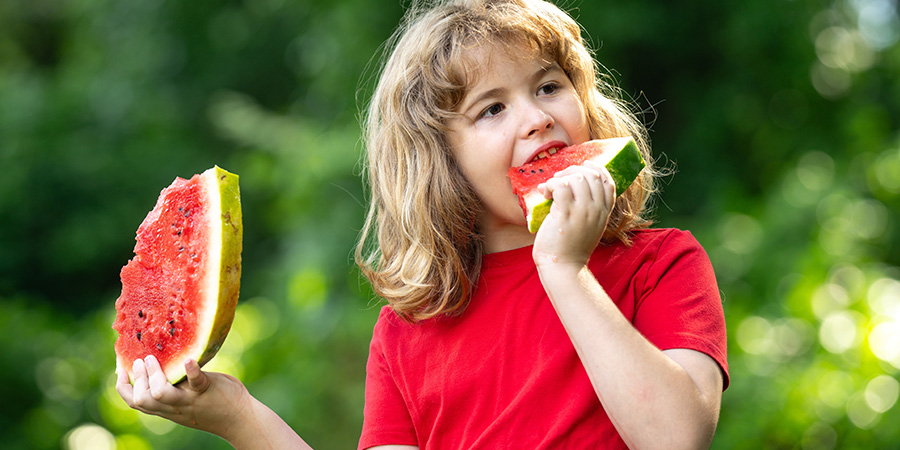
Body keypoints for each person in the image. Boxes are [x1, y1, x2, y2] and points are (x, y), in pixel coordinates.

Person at [116, 0, 729, 449]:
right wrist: (238, 416)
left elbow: (675, 438)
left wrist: (564, 268)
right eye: (492, 107)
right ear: (442, 160)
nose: (537, 118)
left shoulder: (661, 263)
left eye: (549, 85)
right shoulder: (408, 334)